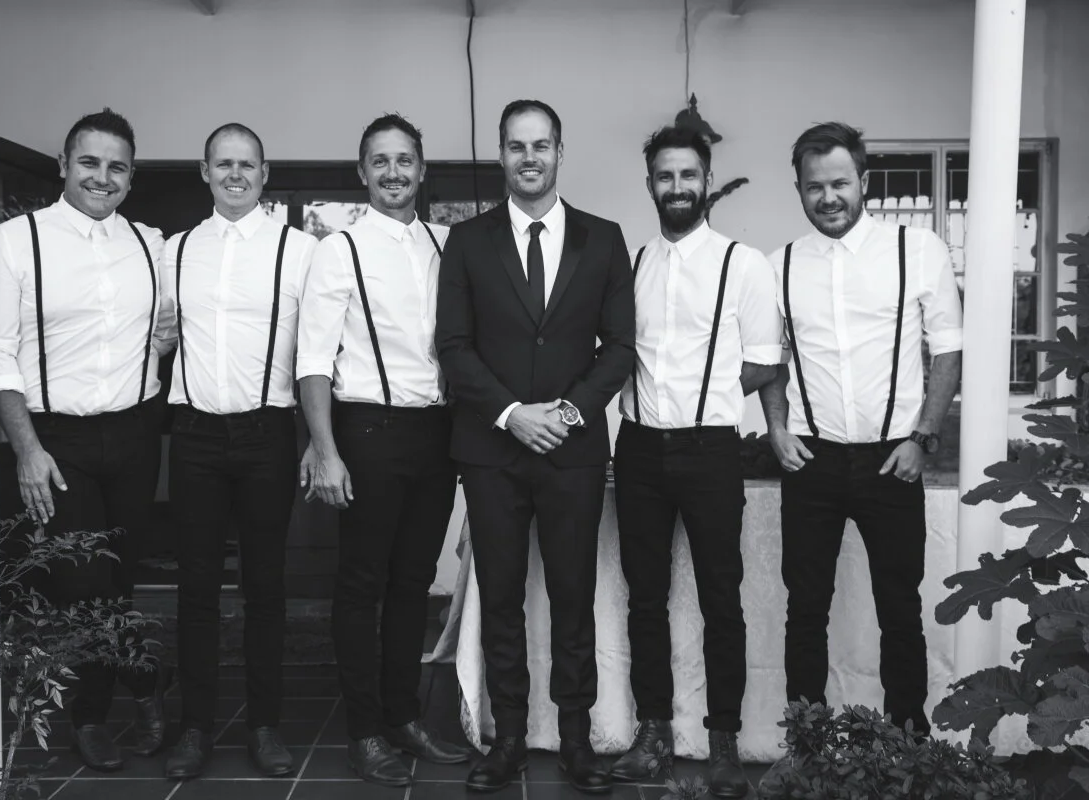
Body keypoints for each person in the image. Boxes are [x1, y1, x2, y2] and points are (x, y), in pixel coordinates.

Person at [435, 99, 635, 795]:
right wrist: (514, 414)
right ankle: (509, 737)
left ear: (558, 151)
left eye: (541, 145)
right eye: (516, 147)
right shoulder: (468, 241)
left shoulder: (604, 240)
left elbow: (621, 351)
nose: (529, 158)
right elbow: (453, 348)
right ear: (501, 154)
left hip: (572, 452)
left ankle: (577, 739)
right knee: (501, 598)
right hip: (491, 452)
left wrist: (569, 413)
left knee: (574, 597)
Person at [761, 121, 963, 743]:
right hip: (813, 461)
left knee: (899, 608)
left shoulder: (917, 248)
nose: (829, 197)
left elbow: (948, 351)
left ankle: (908, 736)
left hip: (892, 459)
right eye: (814, 186)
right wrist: (776, 428)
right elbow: (771, 357)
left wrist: (922, 437)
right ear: (798, 189)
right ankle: (810, 739)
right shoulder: (780, 264)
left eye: (840, 183)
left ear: (864, 182)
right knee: (805, 611)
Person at [297, 113, 475, 788]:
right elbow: (313, 359)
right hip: (367, 430)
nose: (394, 172)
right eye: (381, 161)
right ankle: (365, 729)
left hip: (437, 434)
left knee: (413, 583)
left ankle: (404, 715)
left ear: (422, 171)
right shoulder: (337, 249)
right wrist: (326, 449)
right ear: (363, 172)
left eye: (405, 161)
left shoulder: (446, 242)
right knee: (362, 583)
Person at [0, 108, 169, 772]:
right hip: (54, 440)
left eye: (116, 165)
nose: (102, 176)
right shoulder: (14, 240)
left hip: (134, 432)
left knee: (120, 580)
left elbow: (176, 324)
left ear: (131, 176)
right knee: (81, 581)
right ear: (63, 165)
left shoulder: (151, 245)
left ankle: (101, 705)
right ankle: (133, 692)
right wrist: (26, 448)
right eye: (89, 162)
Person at [609, 126, 782, 798]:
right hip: (640, 448)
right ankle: (652, 733)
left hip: (711, 449)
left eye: (688, 175)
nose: (676, 187)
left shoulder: (745, 264)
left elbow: (766, 360)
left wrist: (702, 394)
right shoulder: (631, 264)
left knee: (721, 599)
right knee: (644, 599)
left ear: (707, 181)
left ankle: (724, 742)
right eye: (664, 176)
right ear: (649, 183)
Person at [160, 123, 316, 780]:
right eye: (222, 164)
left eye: (245, 165)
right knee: (194, 588)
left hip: (268, 434)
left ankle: (264, 724)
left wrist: (319, 441)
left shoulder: (301, 249)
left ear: (264, 172)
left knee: (265, 587)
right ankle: (194, 727)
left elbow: (318, 350)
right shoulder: (173, 250)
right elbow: (159, 340)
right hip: (193, 433)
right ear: (204, 171)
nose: (234, 174)